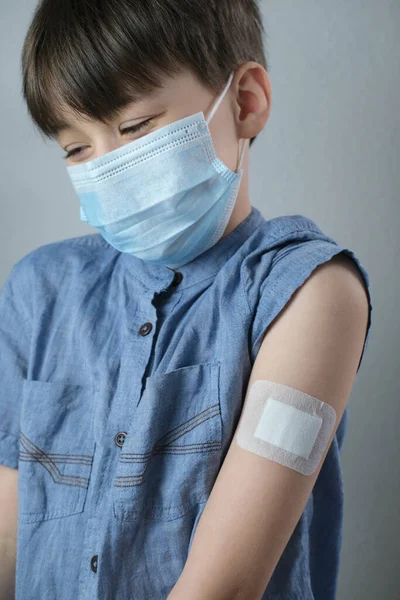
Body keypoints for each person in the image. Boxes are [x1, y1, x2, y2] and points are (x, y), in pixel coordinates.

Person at [0, 1, 373, 599]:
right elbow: (8, 536)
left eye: (134, 127)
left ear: (245, 101)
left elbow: (220, 589)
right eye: (75, 150)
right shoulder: (37, 291)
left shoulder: (310, 293)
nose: (108, 166)